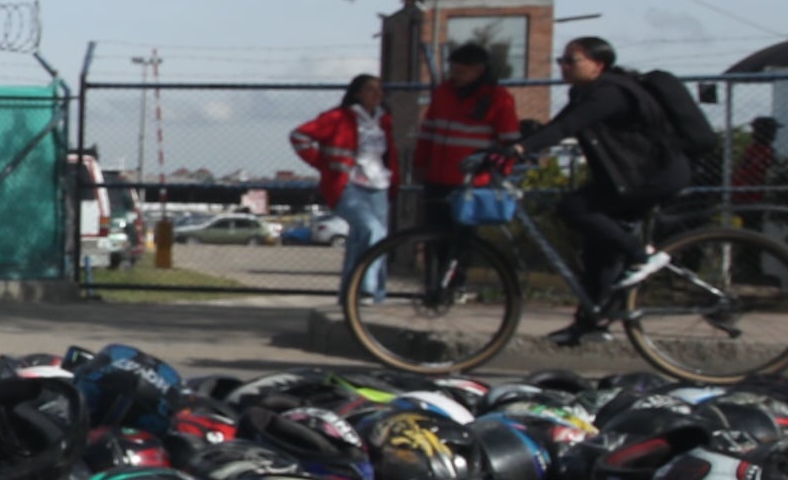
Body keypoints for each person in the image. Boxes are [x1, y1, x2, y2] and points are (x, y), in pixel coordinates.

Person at [513, 35, 687, 346]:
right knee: (597, 249)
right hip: (628, 178)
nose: (563, 67)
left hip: (653, 176)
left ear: (598, 65)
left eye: (571, 60)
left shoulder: (610, 93)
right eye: (561, 61)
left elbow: (567, 128)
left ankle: (641, 255)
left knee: (574, 208)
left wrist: (518, 149)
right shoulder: (585, 93)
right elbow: (558, 125)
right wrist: (519, 142)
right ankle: (591, 323)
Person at [290, 74, 400, 301]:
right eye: (371, 89)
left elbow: (388, 155)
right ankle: (366, 288)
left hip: (379, 186)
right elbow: (299, 136)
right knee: (372, 230)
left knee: (362, 240)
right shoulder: (337, 118)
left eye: (380, 90)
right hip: (348, 186)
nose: (377, 94)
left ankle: (355, 296)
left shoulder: (384, 120)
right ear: (357, 93)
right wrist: (322, 163)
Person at [416, 39, 522, 226]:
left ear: (479, 71)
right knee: (433, 233)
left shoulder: (497, 98)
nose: (455, 76)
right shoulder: (443, 92)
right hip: (436, 178)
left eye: (461, 72)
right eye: (453, 71)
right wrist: (420, 164)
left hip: (471, 181)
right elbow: (428, 133)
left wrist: (499, 173)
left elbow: (509, 141)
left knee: (463, 238)